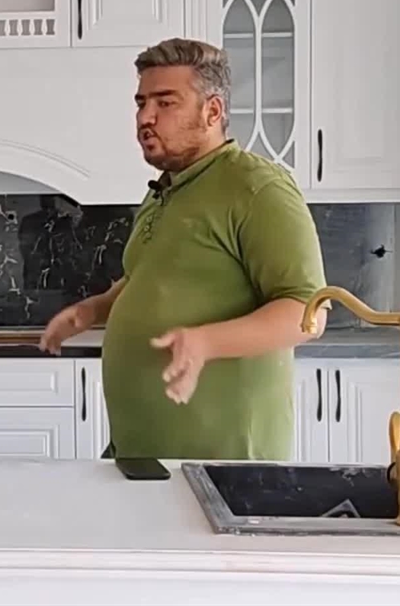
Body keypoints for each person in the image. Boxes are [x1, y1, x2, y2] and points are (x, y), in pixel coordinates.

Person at [38, 37, 329, 461]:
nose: (146, 117)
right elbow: (151, 278)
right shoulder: (164, 190)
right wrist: (94, 310)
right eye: (141, 103)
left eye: (165, 103)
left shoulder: (257, 188)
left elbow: (307, 313)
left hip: (222, 461)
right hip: (143, 451)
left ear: (213, 111)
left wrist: (206, 342)